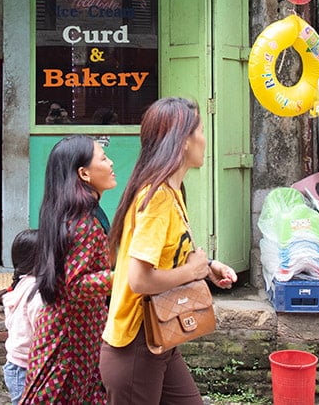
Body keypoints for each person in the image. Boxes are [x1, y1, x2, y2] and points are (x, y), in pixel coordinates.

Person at [99, 97, 237, 404]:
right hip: (135, 346)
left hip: (159, 338)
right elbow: (139, 280)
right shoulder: (157, 196)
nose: (205, 138)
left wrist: (207, 265)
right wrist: (192, 271)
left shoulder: (171, 191)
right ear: (184, 141)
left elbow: (168, 250)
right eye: (200, 130)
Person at [20, 135, 116, 403]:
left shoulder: (75, 215)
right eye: (104, 158)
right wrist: (125, 277)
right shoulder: (83, 222)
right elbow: (77, 284)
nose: (111, 163)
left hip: (79, 338)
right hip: (70, 343)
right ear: (84, 173)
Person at [0, 229, 41, 405]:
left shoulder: (21, 284)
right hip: (26, 368)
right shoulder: (36, 291)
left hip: (16, 366)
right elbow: (42, 330)